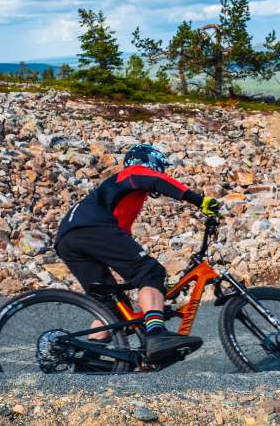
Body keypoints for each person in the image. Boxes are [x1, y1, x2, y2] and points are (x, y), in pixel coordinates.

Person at [54, 143, 222, 362]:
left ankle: (88, 360)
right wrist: (198, 200)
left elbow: (119, 242)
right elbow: (154, 180)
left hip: (68, 240)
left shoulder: (118, 195)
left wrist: (155, 290)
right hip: (92, 230)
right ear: (149, 163)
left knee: (112, 305)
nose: (160, 172)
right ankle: (156, 335)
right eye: (159, 167)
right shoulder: (132, 174)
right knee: (150, 272)